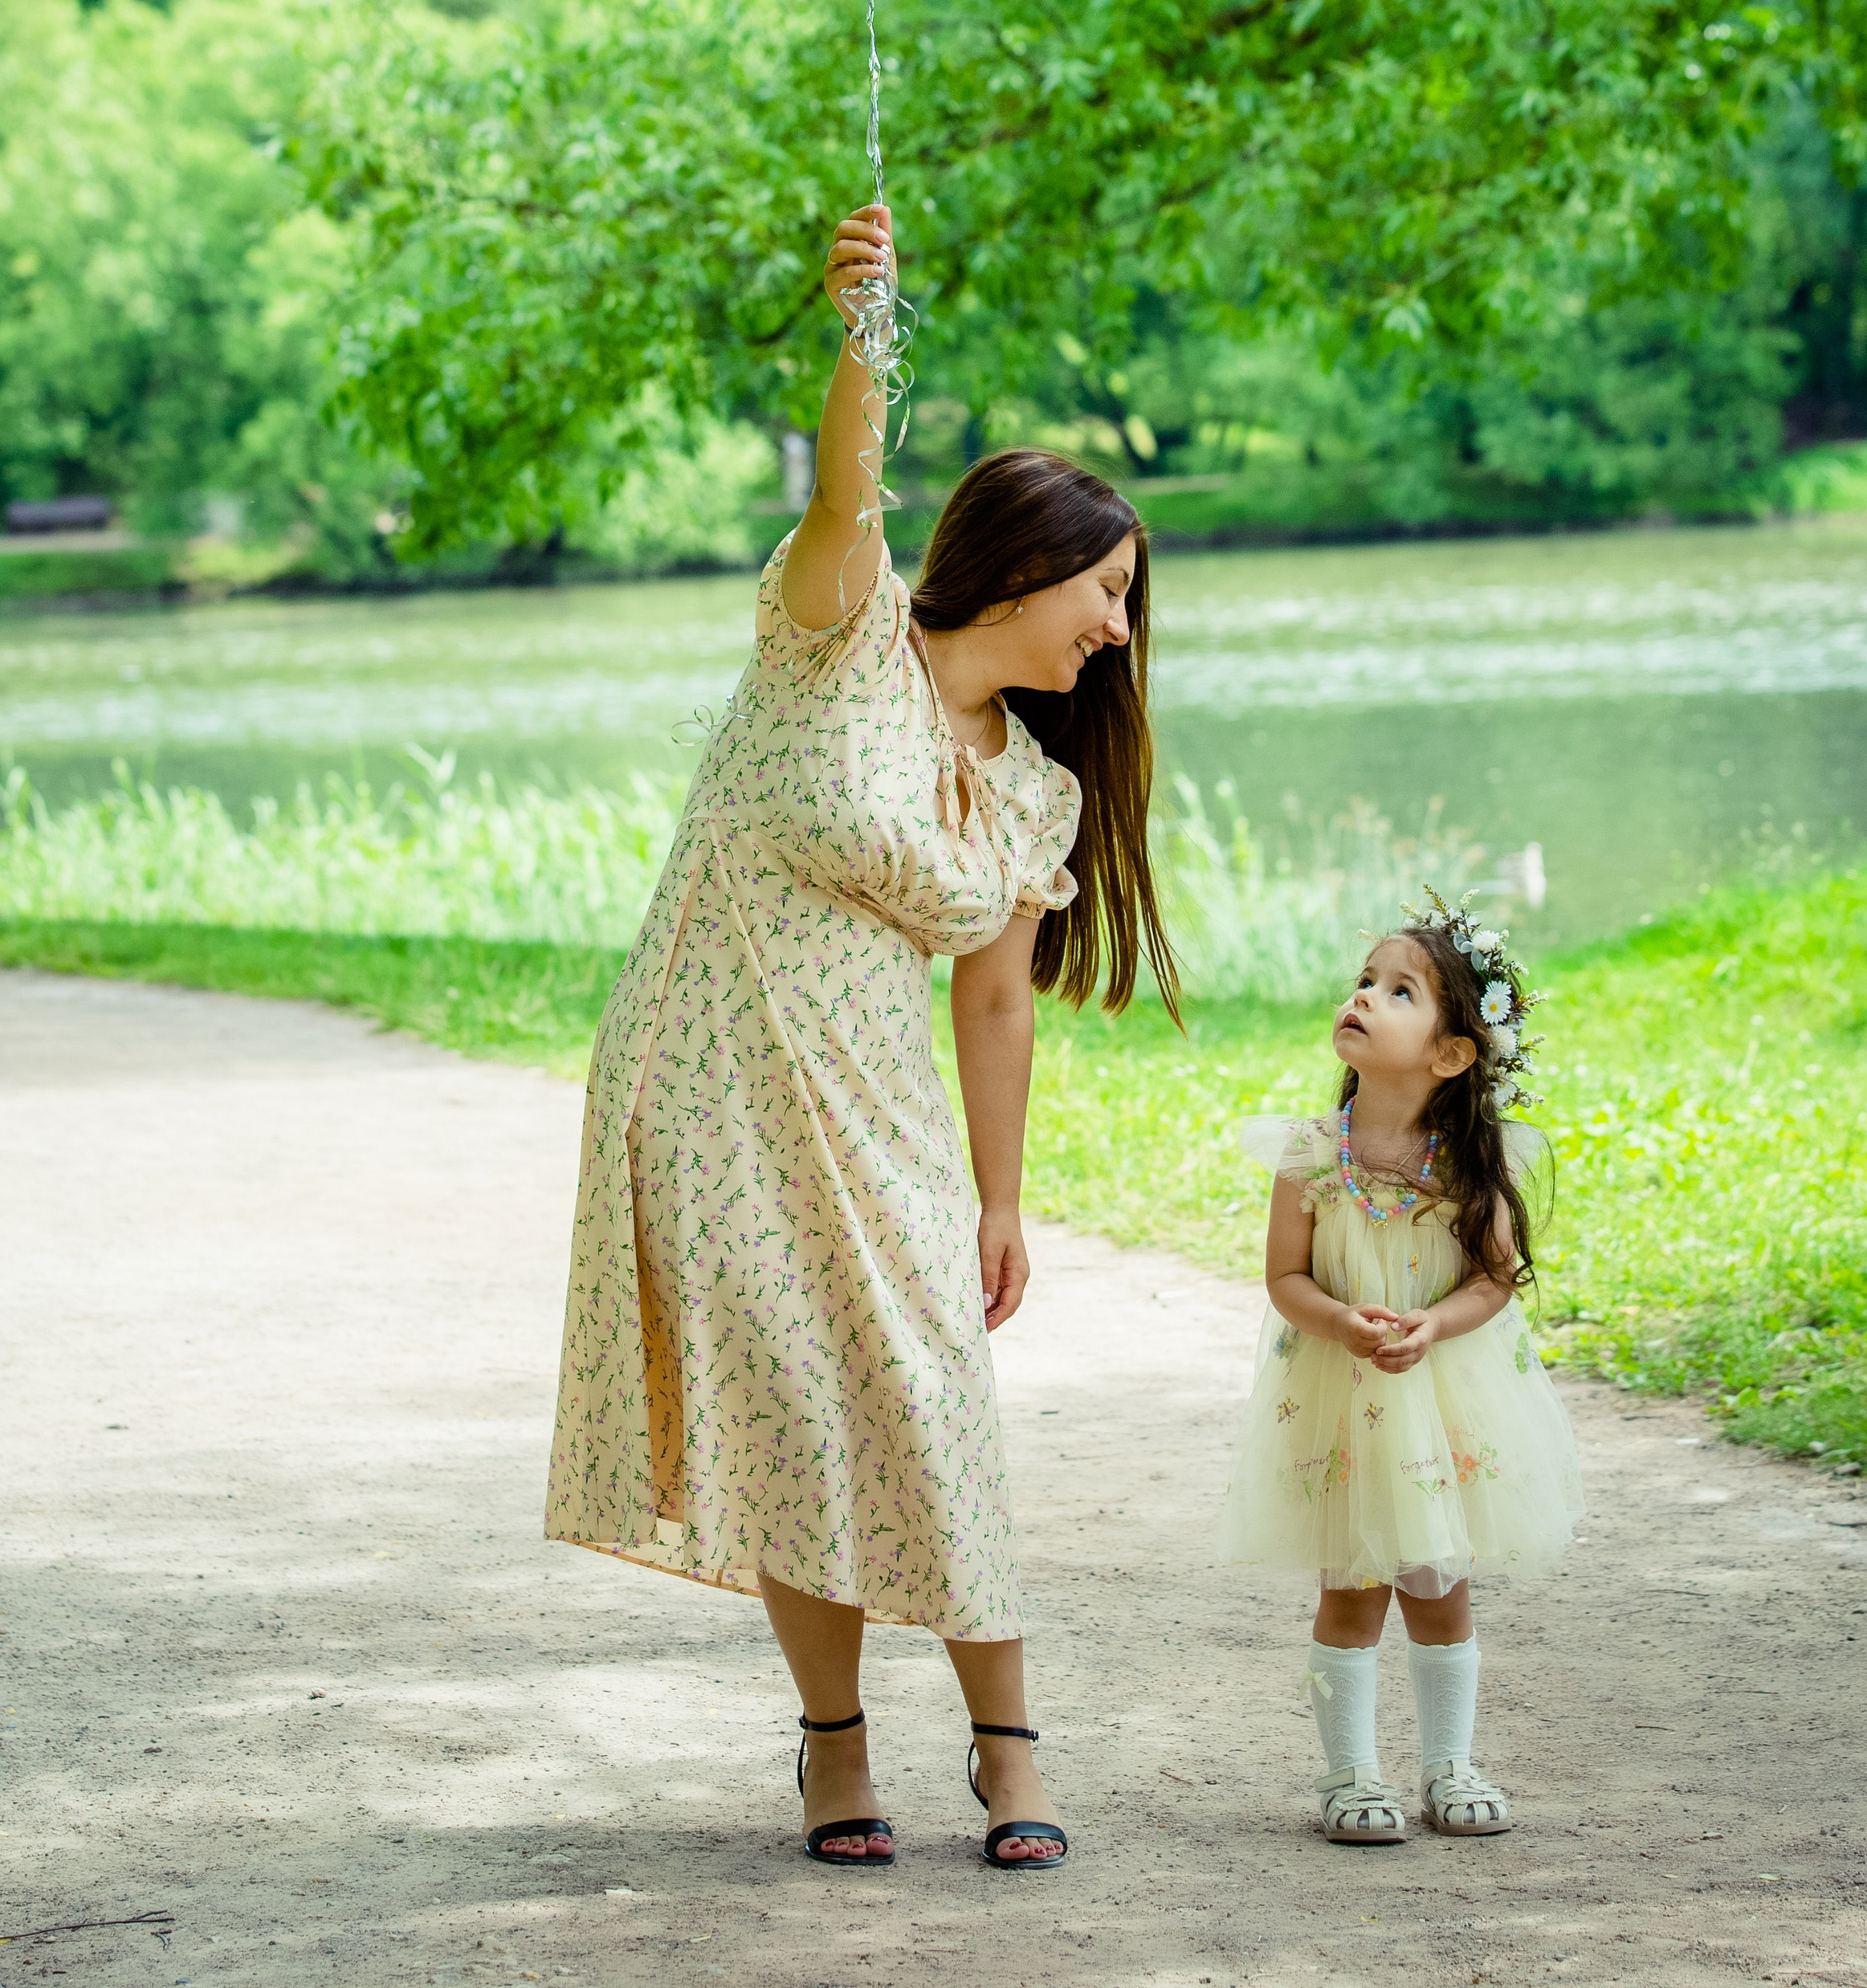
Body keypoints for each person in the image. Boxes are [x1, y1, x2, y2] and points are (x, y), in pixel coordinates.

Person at [546, 202, 1175, 1872]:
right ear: (1027, 566)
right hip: (707, 1080)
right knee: (787, 1416)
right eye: (1107, 593)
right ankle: (834, 1750)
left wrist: (1000, 1197)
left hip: (878, 1109)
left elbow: (992, 995)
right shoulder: (838, 632)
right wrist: (863, 333)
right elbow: (846, 490)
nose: (1116, 631)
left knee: (927, 1396)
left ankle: (1005, 1744)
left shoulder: (1033, 789)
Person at [1219, 902, 1582, 1844]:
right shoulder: (1311, 1154)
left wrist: (1433, 1323)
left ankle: (1448, 1763)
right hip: (1343, 1401)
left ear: (1452, 1053)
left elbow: (1494, 1280)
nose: (1364, 997)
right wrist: (1340, 1321)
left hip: (1437, 1400)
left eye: (1398, 991)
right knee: (1350, 1587)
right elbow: (1284, 1278)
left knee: (1437, 1584)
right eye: (1364, 982)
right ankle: (1349, 1775)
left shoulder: (1469, 1163)